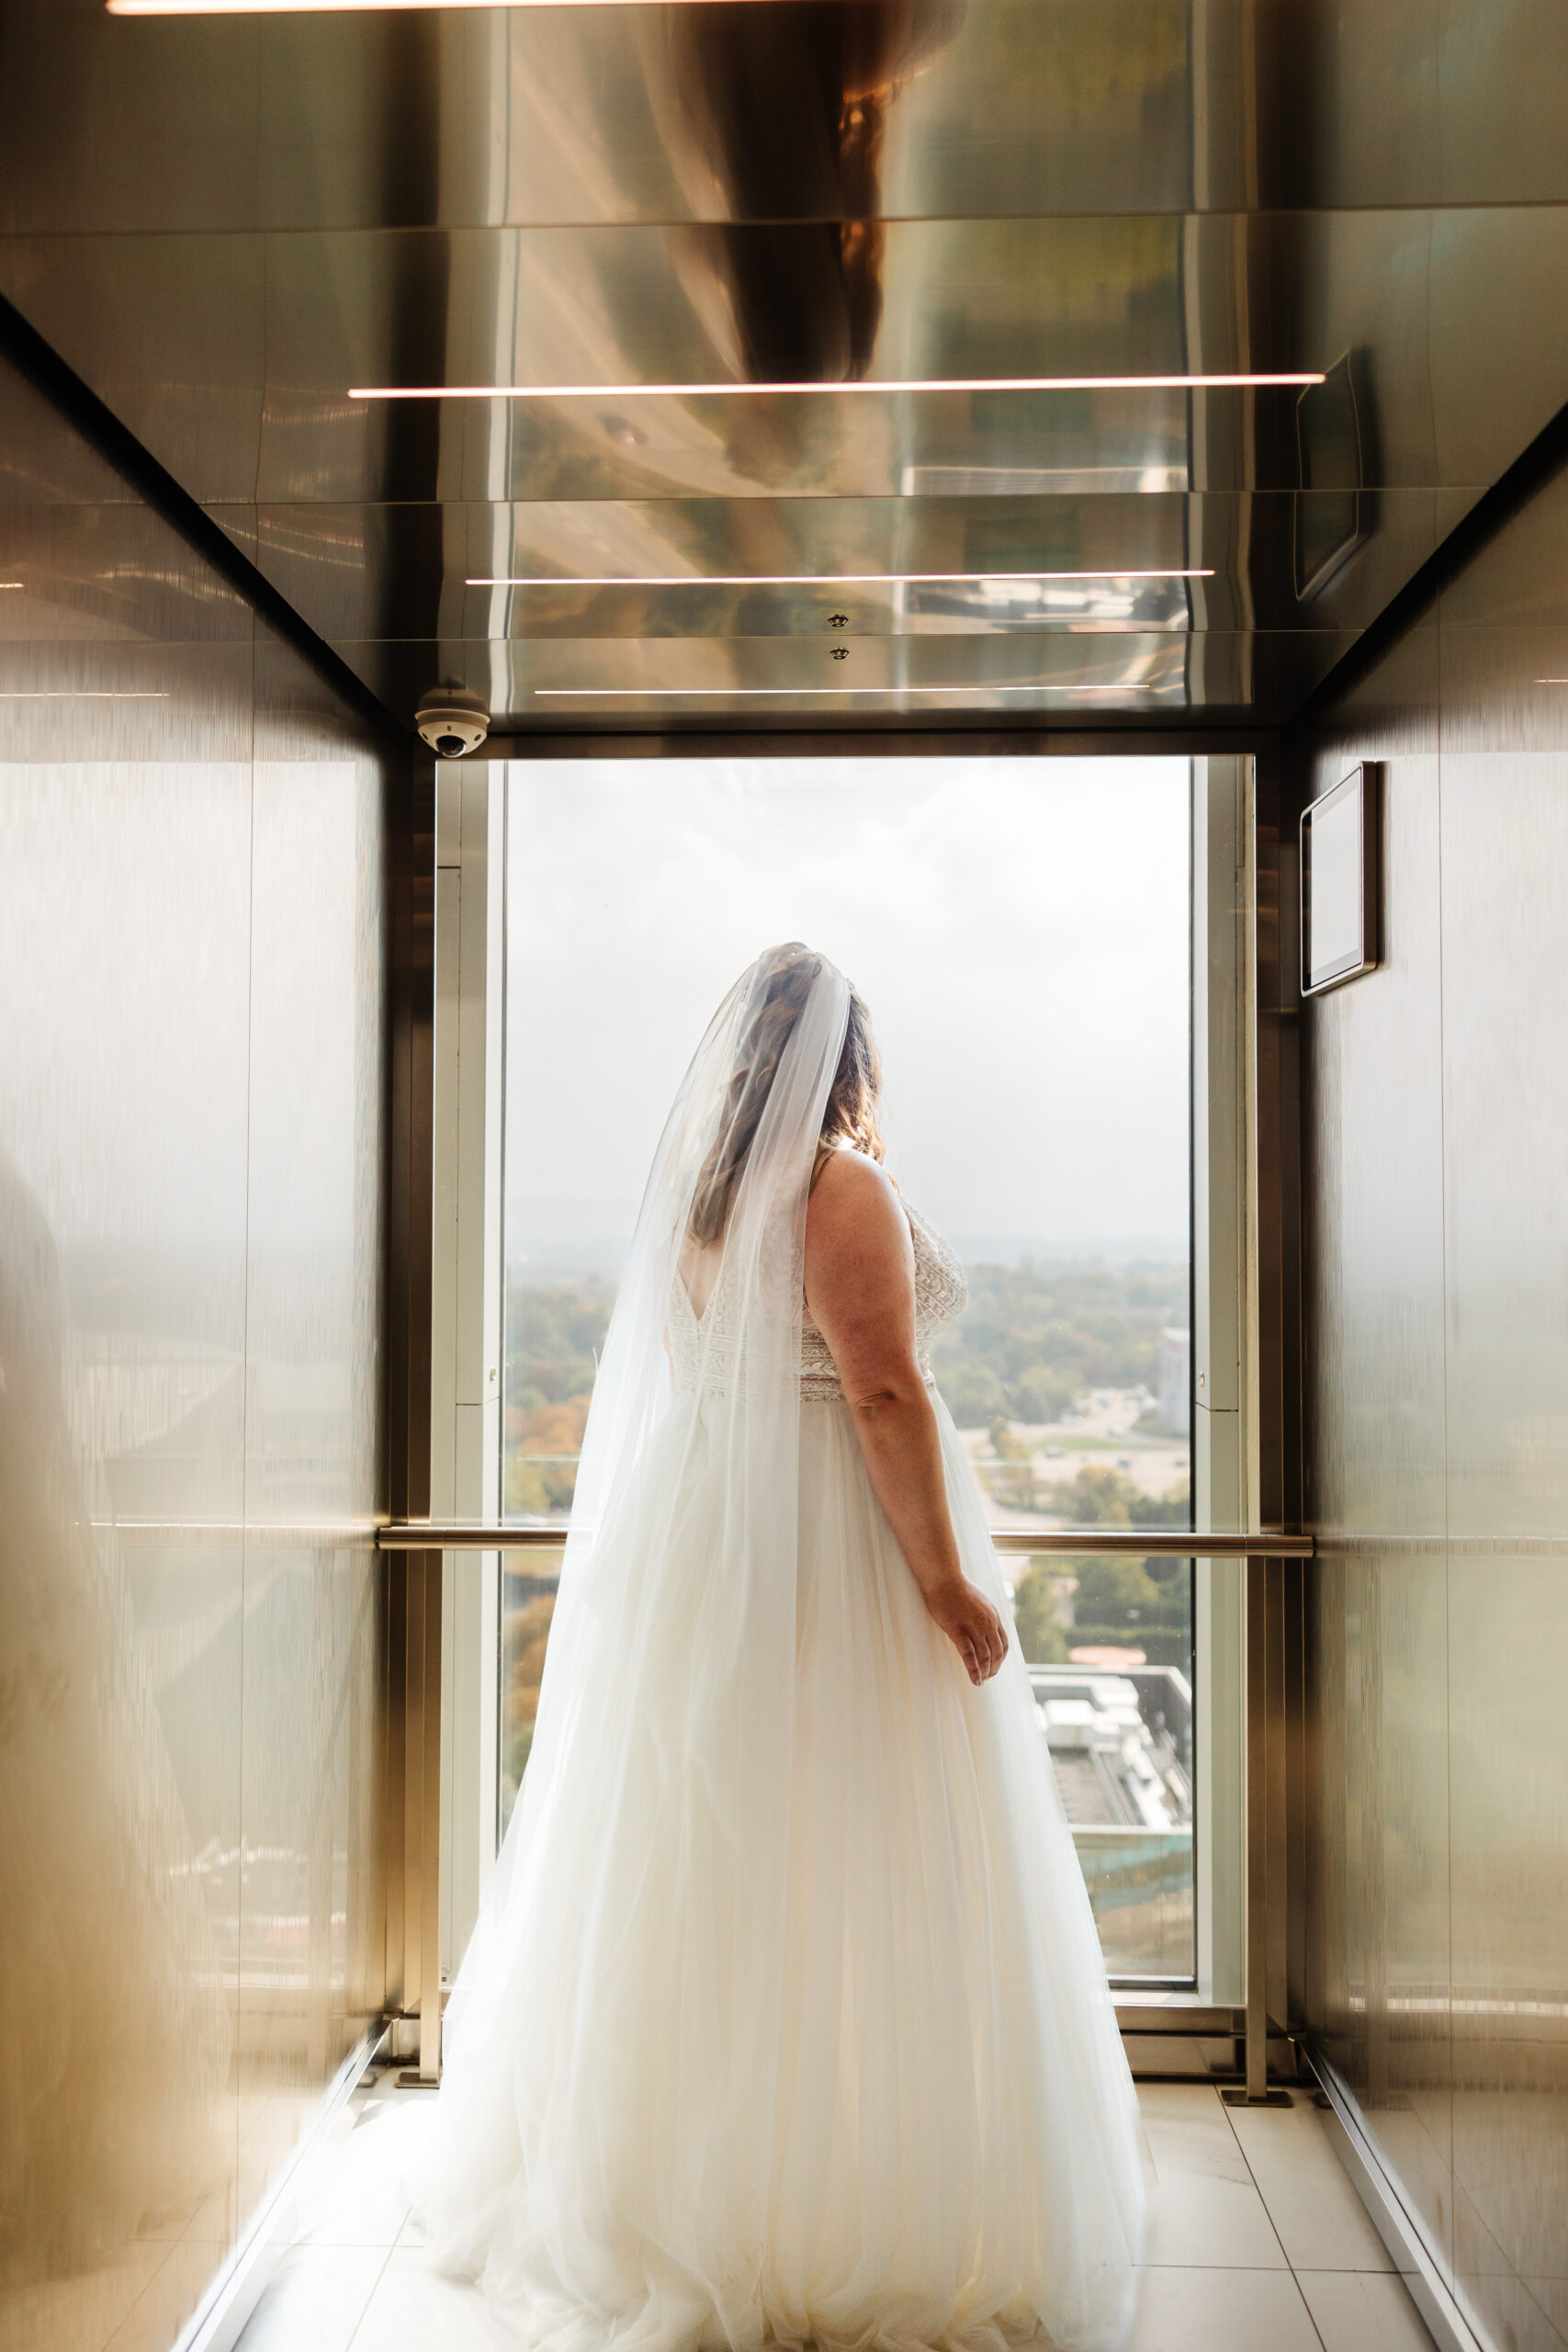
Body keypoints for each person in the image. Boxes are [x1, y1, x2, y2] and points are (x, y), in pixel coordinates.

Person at [413, 944, 1146, 2351]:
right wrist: (945, 1582)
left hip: (713, 1553)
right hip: (831, 1550)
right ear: (848, 1061)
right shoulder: (839, 1188)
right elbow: (879, 1391)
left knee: (721, 1868)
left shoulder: (706, 1203)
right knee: (857, 1855)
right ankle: (839, 2203)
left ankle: (688, 2191)